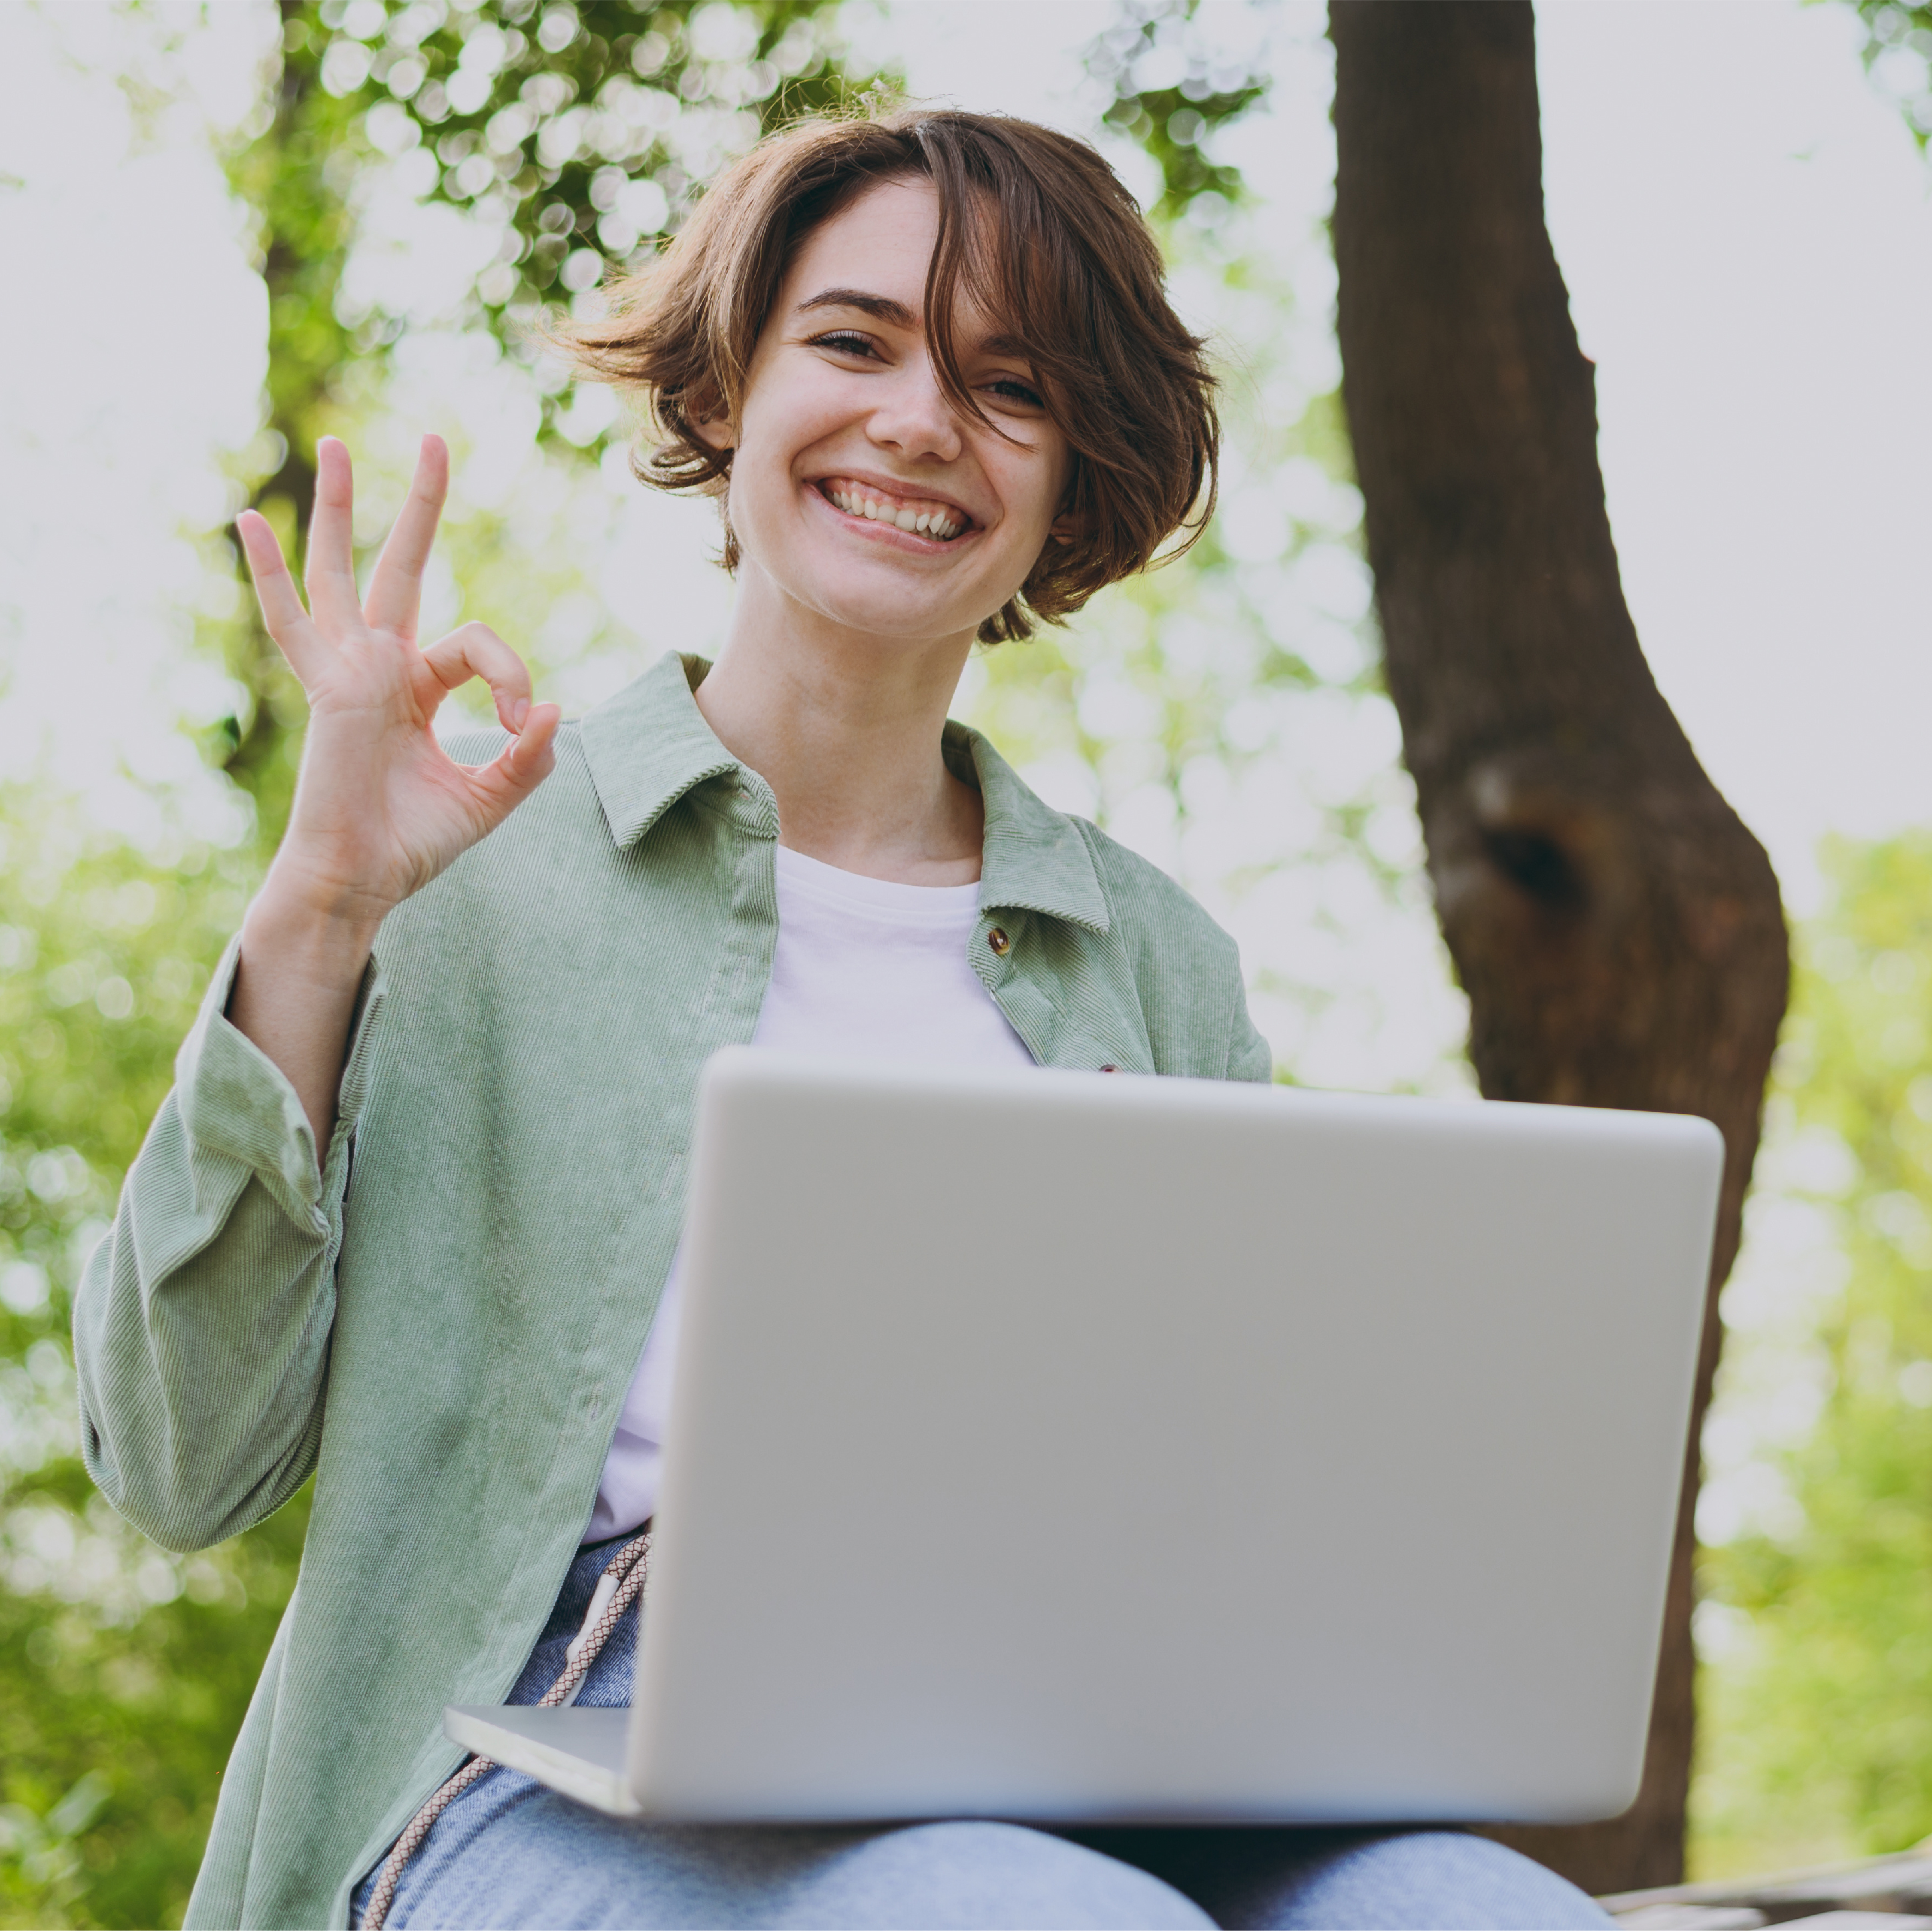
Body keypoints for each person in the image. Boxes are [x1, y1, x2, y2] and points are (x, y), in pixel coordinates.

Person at [73, 108, 1613, 1931]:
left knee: (1489, 1914)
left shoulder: (1160, 958)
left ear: (1069, 473)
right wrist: (318, 911)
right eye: (855, 340)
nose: (917, 420)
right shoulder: (454, 872)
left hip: (1067, 1729)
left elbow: (1229, 1491)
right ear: (728, 386)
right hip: (545, 1741)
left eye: (1009, 382)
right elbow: (179, 1467)